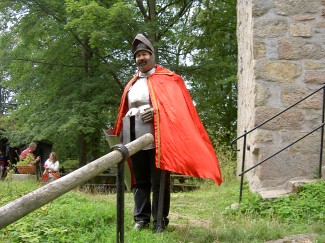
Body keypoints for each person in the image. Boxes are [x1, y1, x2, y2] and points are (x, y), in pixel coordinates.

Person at [112, 34, 222, 232]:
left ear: (152, 56)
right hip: (133, 135)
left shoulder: (168, 79)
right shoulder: (132, 83)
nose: (141, 58)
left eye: (145, 54)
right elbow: (123, 110)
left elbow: (177, 109)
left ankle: (159, 220)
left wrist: (156, 111)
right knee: (140, 179)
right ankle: (141, 219)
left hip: (159, 138)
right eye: (138, 55)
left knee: (159, 180)